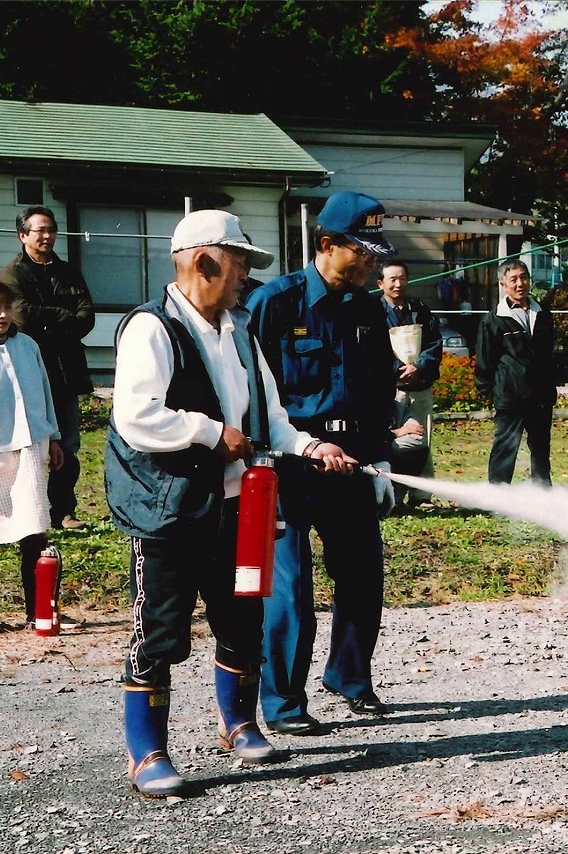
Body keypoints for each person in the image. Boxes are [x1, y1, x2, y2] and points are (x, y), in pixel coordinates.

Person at [105, 210, 352, 797]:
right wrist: (212, 433)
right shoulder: (151, 328)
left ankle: (238, 723)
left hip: (240, 507)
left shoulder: (237, 330)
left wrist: (312, 445)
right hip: (169, 509)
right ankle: (147, 752)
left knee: (242, 618)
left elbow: (269, 415)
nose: (246, 275)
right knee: (158, 631)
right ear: (203, 260)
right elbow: (136, 415)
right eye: (240, 262)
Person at [246, 191, 397, 736]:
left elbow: (379, 385)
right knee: (290, 590)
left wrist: (378, 453)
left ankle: (350, 678)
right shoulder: (275, 303)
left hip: (353, 461)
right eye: (363, 252)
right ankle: (284, 703)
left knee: (362, 576)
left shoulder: (368, 308)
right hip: (288, 467)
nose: (372, 263)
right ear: (328, 245)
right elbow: (250, 394)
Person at [0, 276, 64, 639]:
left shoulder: (27, 345)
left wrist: (52, 435)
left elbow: (44, 390)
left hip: (30, 447)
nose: (3, 315)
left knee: (34, 531)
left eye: (7, 307)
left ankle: (39, 610)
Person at [0, 206, 95, 530]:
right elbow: (21, 316)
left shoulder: (69, 272)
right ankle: (28, 512)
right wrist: (63, 317)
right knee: (29, 446)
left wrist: (50, 320)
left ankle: (63, 510)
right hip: (28, 371)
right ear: (23, 235)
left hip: (66, 371)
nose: (46, 235)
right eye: (39, 230)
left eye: (50, 229)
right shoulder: (12, 274)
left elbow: (87, 316)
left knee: (68, 444)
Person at [474, 260, 557, 485]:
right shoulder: (493, 319)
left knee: (540, 447)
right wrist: (490, 391)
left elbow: (549, 355)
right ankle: (499, 494)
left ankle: (542, 492)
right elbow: (485, 360)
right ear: (503, 285)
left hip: (540, 396)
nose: (520, 284)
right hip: (510, 396)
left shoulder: (543, 314)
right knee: (505, 446)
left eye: (524, 277)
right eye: (514, 280)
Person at [378, 260, 441, 507]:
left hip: (420, 386)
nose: (397, 284)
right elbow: (373, 349)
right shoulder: (374, 311)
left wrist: (420, 367)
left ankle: (421, 495)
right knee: (395, 442)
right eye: (392, 279)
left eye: (402, 278)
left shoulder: (420, 309)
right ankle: (394, 491)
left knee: (422, 439)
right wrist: (397, 369)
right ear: (380, 283)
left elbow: (435, 342)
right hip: (391, 389)